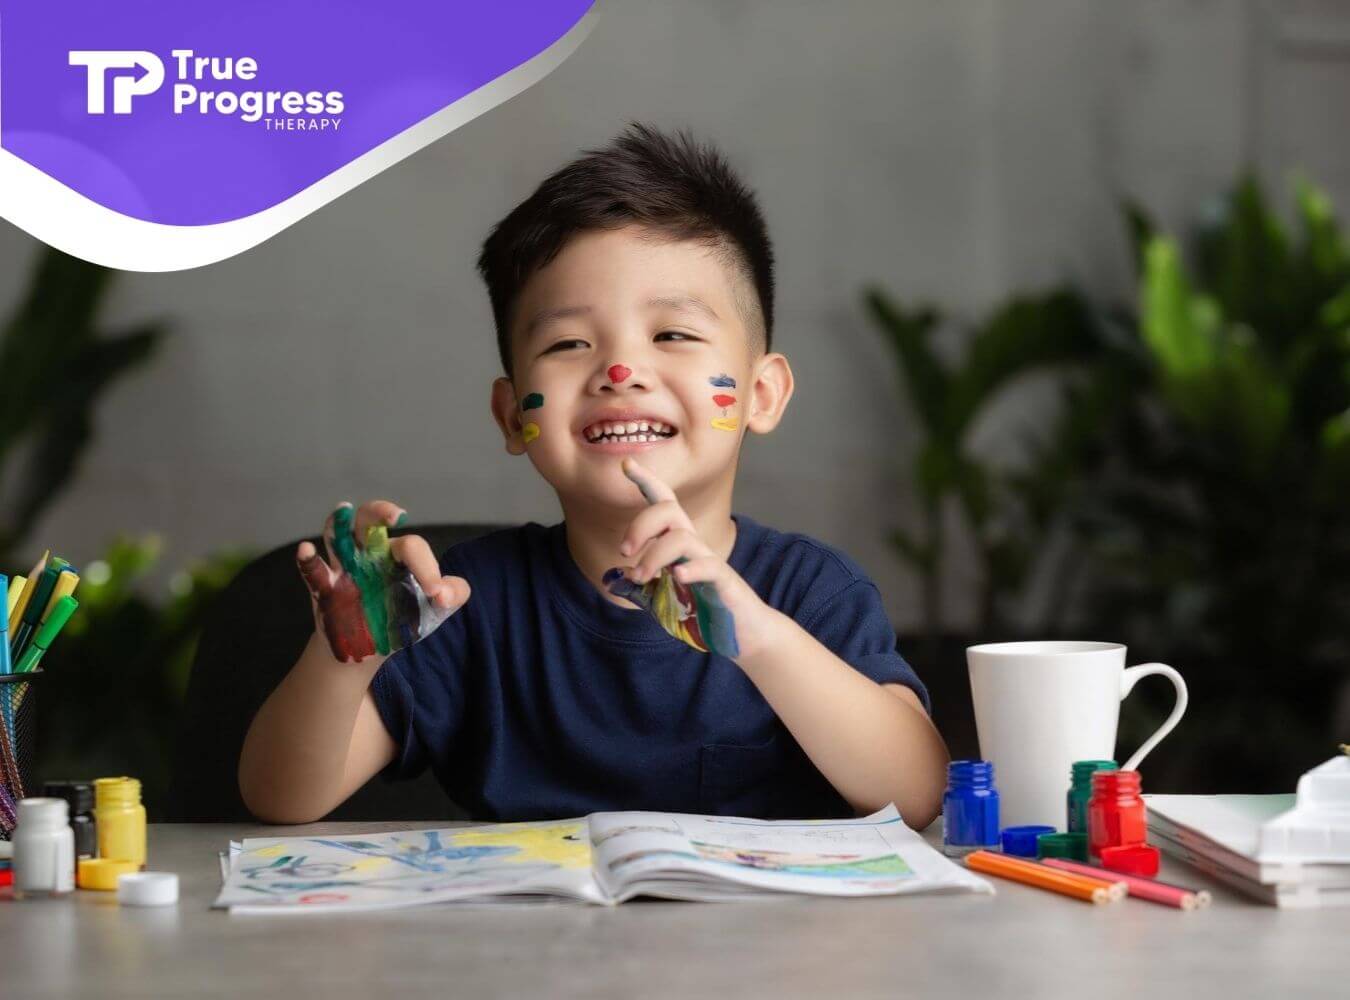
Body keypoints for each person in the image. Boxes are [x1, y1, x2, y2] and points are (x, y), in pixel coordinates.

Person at [239, 123, 950, 826]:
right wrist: (344, 662)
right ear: (513, 412)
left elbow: (916, 793)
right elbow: (281, 798)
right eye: (569, 343)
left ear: (762, 394)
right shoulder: (465, 605)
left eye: (672, 334)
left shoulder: (812, 594)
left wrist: (759, 637)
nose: (620, 371)